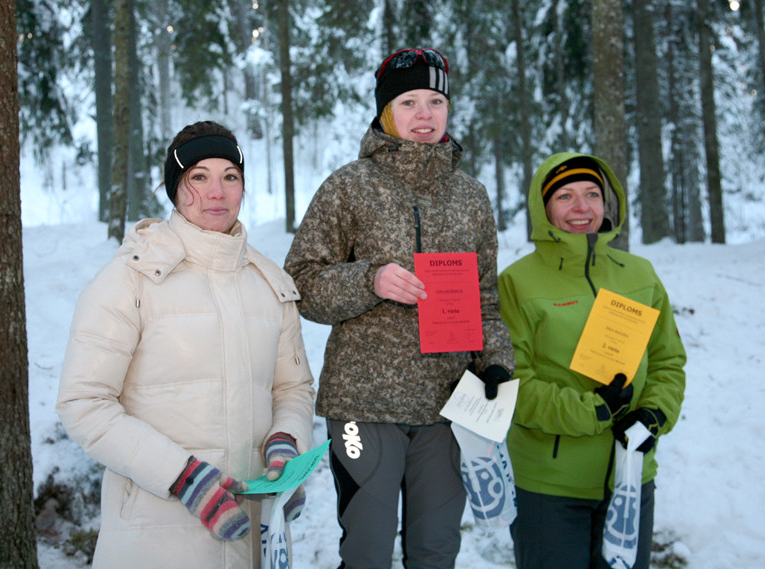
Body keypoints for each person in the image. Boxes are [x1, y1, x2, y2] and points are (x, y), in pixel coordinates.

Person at [283, 48, 516, 569]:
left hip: (448, 405)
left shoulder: (471, 196)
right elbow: (301, 283)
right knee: (366, 551)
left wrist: (496, 361)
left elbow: (485, 296)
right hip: (365, 406)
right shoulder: (349, 186)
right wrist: (371, 279)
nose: (425, 114)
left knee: (435, 551)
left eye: (436, 101)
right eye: (409, 101)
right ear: (387, 111)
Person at [56, 120, 315, 569]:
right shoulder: (129, 277)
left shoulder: (271, 283)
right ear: (175, 188)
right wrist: (183, 478)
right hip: (155, 535)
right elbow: (84, 403)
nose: (216, 192)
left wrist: (286, 446)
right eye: (199, 176)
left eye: (229, 177)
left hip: (256, 531)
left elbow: (292, 389)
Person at [498, 153, 687, 569]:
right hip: (549, 486)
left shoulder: (640, 274)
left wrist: (654, 415)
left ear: (607, 203)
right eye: (564, 196)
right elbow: (513, 385)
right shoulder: (517, 282)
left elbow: (668, 360)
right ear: (542, 208)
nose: (581, 208)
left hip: (631, 478)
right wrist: (593, 410)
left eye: (592, 194)